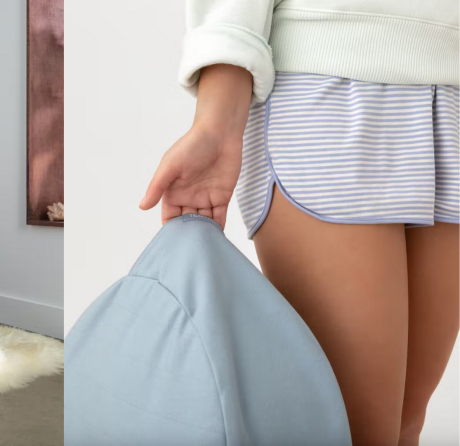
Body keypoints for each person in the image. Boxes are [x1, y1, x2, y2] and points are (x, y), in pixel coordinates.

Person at [139, 1, 458, 444]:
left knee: (406, 420)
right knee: (359, 430)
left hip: (452, 92)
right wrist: (216, 120)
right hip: (328, 84)